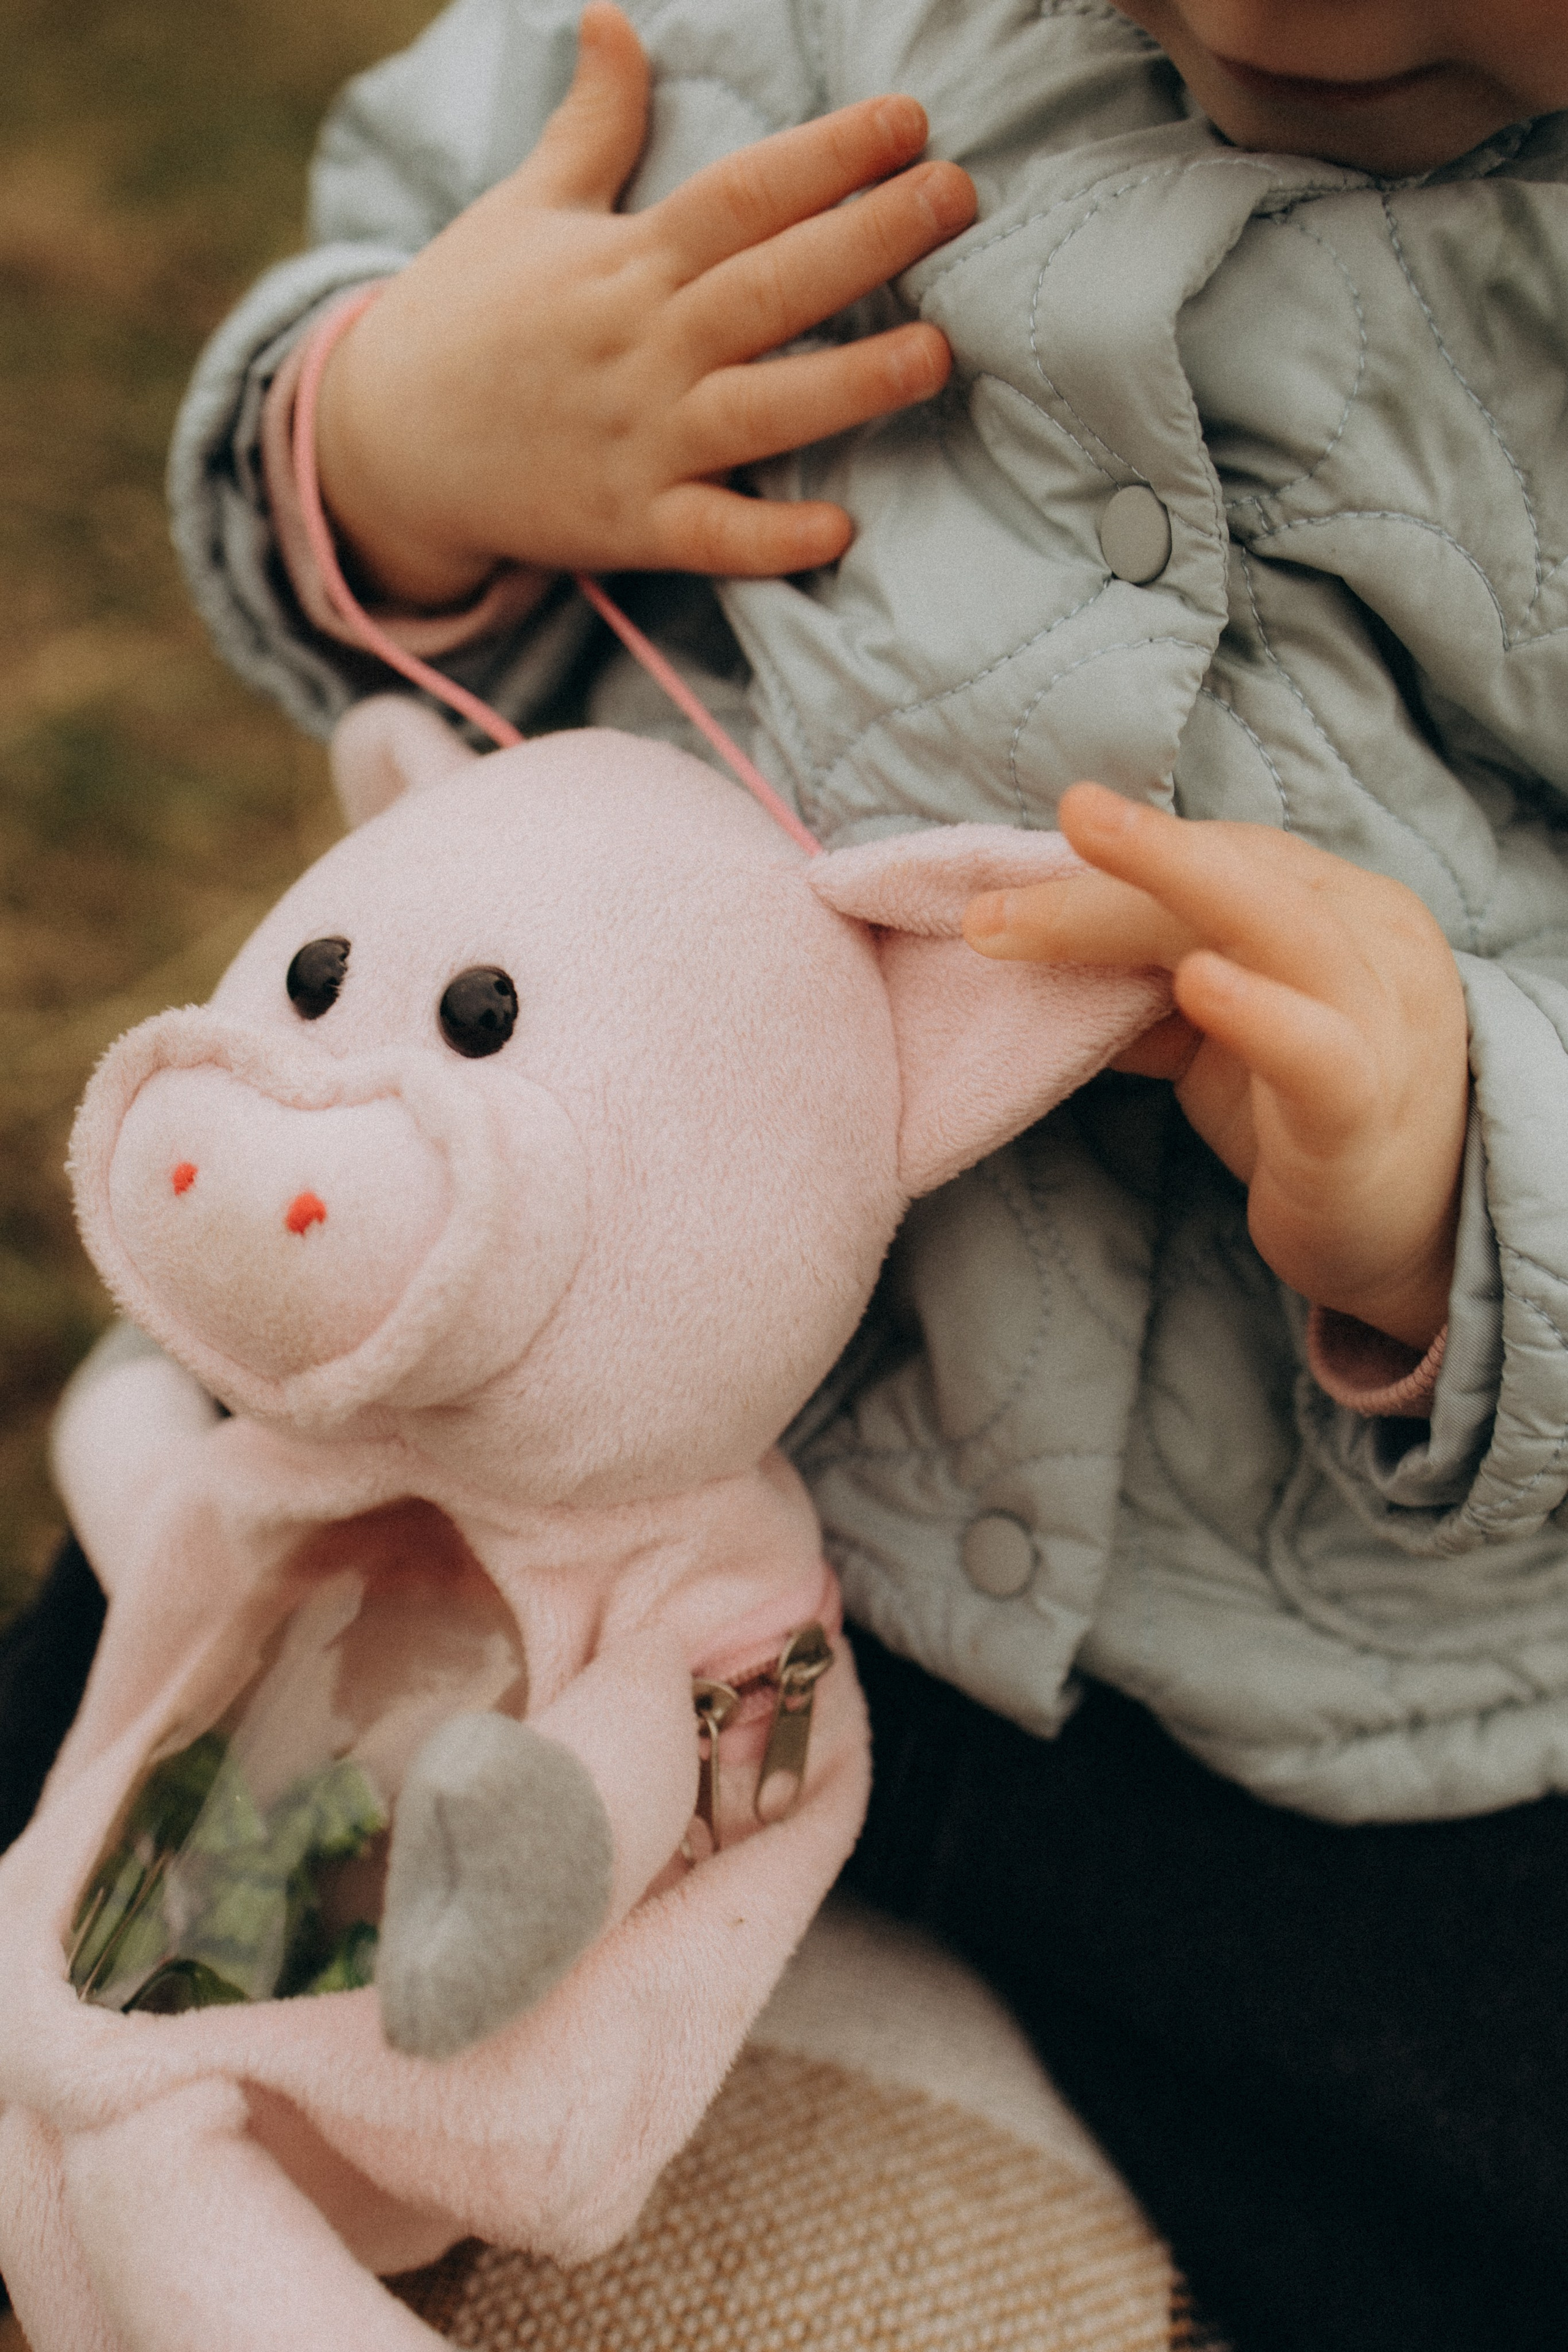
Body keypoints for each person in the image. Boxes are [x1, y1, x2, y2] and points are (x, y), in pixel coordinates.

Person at [12, 2, 1568, 2343]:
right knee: (92, 1879)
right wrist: (403, 432)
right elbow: (374, 313)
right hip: (535, 1463)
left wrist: (1471, 1184)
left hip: (1304, 1692)